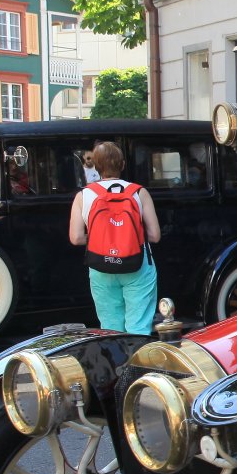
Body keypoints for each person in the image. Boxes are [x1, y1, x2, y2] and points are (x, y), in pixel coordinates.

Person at [69, 141, 161, 333]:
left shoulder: (83, 196)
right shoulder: (139, 192)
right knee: (139, 326)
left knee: (110, 329)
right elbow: (154, 236)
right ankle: (137, 352)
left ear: (96, 167)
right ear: (123, 164)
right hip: (138, 264)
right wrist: (127, 239)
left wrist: (102, 239)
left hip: (100, 266)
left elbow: (76, 238)